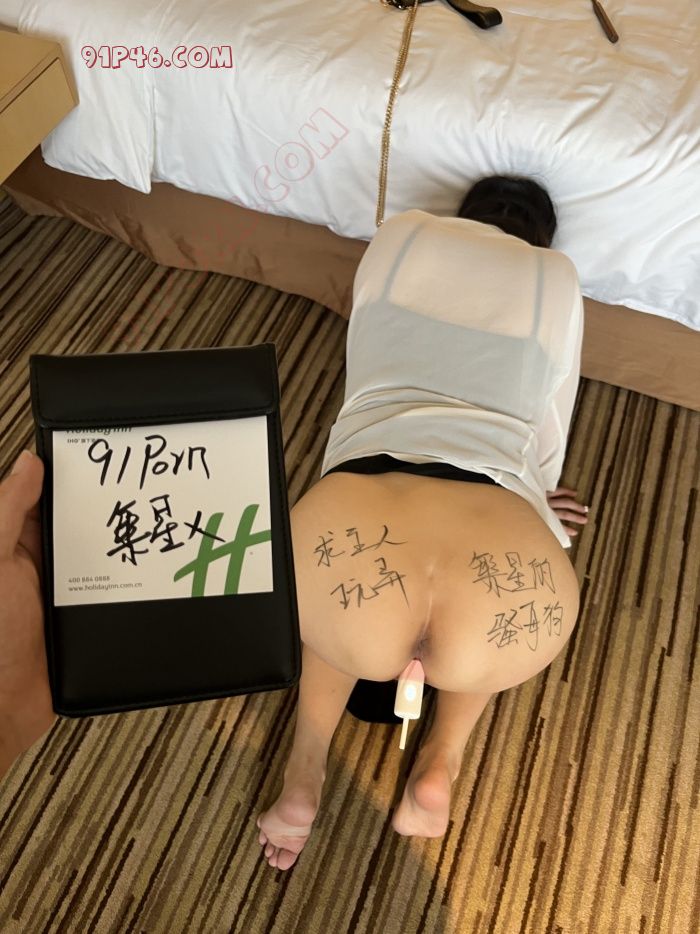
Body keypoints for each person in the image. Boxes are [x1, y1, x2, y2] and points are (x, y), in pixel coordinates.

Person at [0, 176, 589, 875]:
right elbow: (551, 415)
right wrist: (534, 500)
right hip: (506, 541)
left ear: (466, 211)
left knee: (342, 609)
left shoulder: (402, 235)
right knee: (482, 634)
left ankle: (304, 771)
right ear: (540, 238)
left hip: (362, 510)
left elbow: (367, 346)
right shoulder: (558, 278)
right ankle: (441, 763)